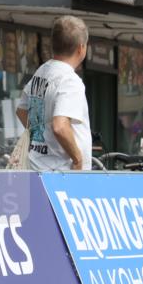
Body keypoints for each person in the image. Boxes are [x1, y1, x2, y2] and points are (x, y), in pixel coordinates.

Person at [16, 16, 91, 171]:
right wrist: (77, 160)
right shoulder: (70, 81)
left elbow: (21, 111)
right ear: (81, 48)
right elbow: (60, 126)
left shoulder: (42, 72)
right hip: (62, 174)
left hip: (37, 166)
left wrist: (41, 138)